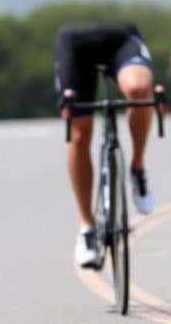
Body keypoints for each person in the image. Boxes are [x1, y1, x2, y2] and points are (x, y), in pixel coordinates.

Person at [55, 21, 156, 268]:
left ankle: (137, 167)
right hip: (74, 44)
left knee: (139, 90)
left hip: (121, 39)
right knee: (79, 131)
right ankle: (87, 227)